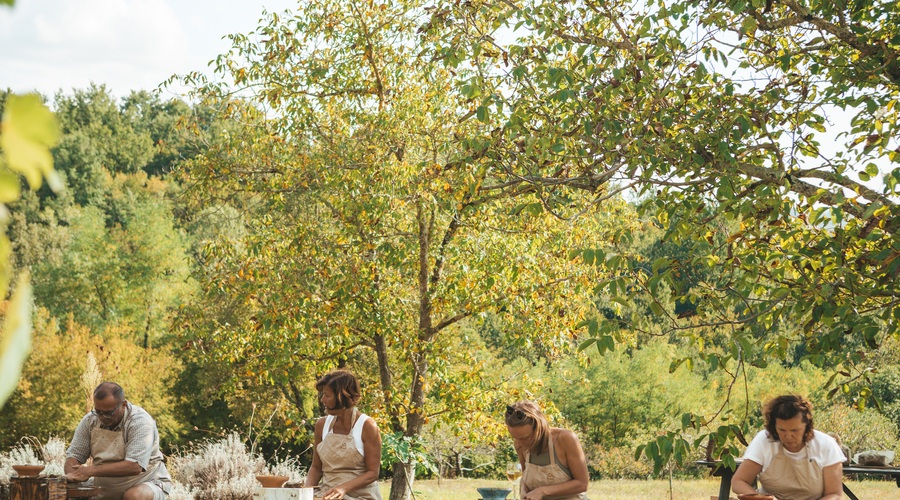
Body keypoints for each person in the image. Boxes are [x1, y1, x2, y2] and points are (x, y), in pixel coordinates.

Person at [65, 382, 171, 500]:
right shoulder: (90, 420)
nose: (102, 417)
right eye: (98, 411)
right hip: (104, 486)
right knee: (58, 490)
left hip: (145, 482)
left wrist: (90, 471)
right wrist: (73, 477)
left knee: (134, 496)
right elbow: (74, 456)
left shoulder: (140, 422)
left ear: (123, 405)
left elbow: (135, 466)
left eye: (108, 413)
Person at [732, 395, 844, 500]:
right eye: (782, 430)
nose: (788, 436)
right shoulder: (764, 440)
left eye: (795, 430)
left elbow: (834, 494)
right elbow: (739, 481)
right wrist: (758, 498)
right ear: (773, 427)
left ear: (807, 426)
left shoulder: (826, 445)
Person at [304, 370, 382, 500]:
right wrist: (305, 493)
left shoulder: (367, 426)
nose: (323, 400)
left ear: (343, 397)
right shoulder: (321, 425)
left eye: (327, 395)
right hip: (327, 495)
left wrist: (343, 488)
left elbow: (373, 473)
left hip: (361, 496)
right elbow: (316, 468)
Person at [505, 400, 589, 500]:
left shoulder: (566, 438)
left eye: (524, 438)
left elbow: (582, 484)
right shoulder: (519, 443)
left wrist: (542, 491)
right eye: (514, 437)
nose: (519, 443)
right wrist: (523, 491)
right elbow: (525, 476)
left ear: (539, 429)